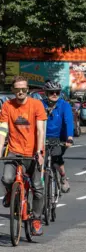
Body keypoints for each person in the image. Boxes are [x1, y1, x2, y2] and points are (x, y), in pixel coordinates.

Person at [0, 75, 47, 236]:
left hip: (33, 153)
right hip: (14, 151)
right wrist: (0, 149)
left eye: (24, 89)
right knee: (6, 179)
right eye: (17, 89)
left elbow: (40, 130)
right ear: (12, 90)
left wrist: (40, 152)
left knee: (38, 188)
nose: (20, 92)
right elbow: (3, 130)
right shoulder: (7, 106)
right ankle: (9, 193)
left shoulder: (37, 105)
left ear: (28, 90)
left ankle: (36, 220)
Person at [42, 81, 74, 193]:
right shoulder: (40, 104)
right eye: (51, 92)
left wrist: (69, 137)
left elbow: (68, 122)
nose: (54, 94)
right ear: (46, 93)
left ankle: (63, 177)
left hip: (59, 138)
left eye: (57, 92)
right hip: (42, 137)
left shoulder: (64, 105)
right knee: (39, 160)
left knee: (56, 158)